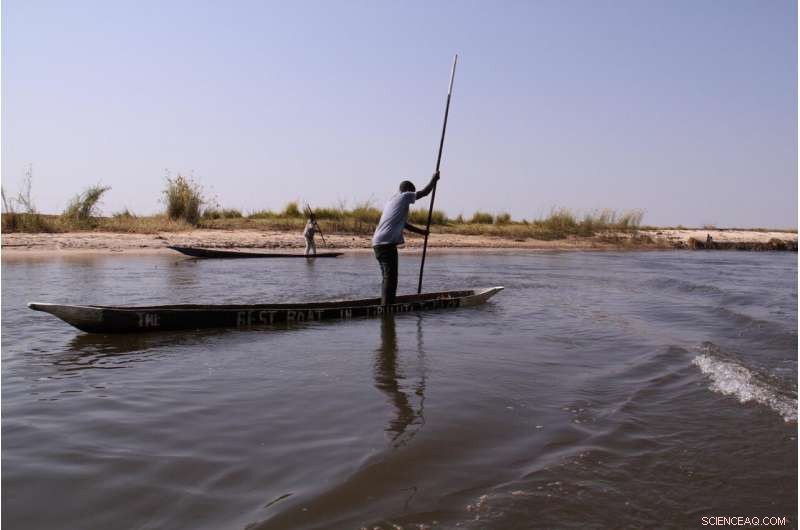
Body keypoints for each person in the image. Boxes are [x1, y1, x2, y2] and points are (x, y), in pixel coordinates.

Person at [372, 171, 440, 306]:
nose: (411, 201)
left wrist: (422, 232)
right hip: (386, 243)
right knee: (390, 278)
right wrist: (434, 180)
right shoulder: (404, 196)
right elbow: (425, 192)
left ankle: (385, 305)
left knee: (387, 277)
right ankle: (386, 308)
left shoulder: (392, 201)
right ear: (408, 191)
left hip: (378, 243)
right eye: (412, 194)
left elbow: (404, 225)